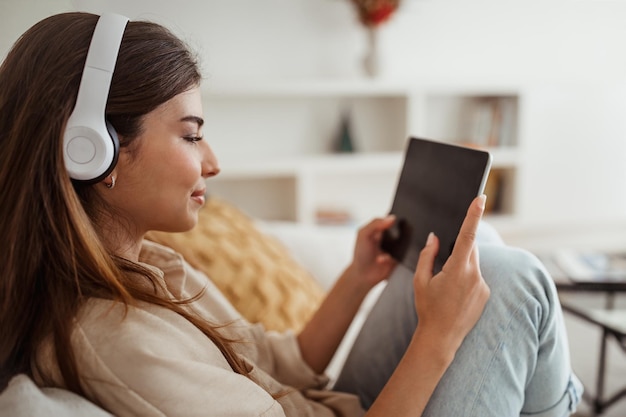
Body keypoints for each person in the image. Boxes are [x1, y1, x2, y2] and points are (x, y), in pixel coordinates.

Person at [0, 11, 582, 417]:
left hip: (329, 404)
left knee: (492, 267)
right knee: (517, 279)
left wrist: (358, 279)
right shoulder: (116, 343)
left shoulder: (148, 264)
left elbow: (276, 359)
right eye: (191, 136)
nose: (213, 162)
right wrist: (439, 337)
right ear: (91, 150)